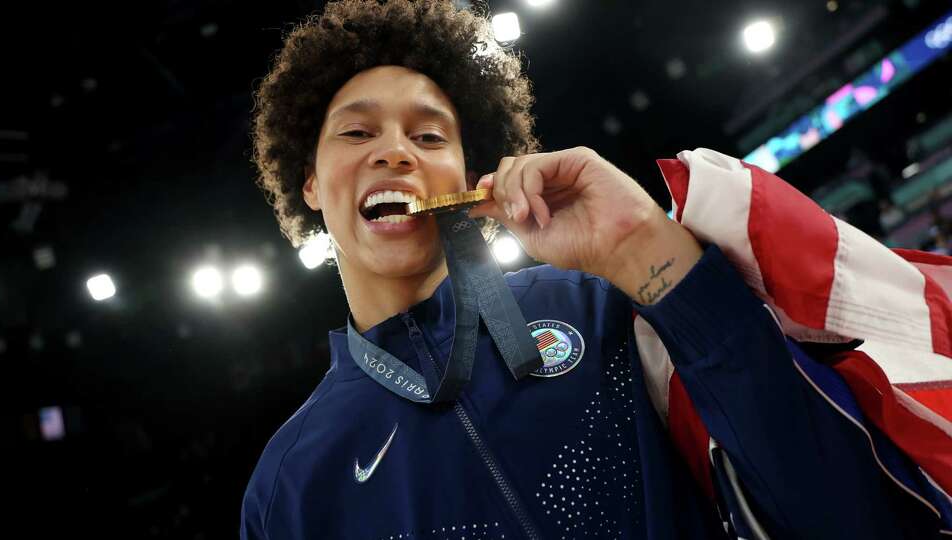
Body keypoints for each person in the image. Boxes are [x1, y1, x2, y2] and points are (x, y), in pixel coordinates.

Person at [241, 1, 948, 538]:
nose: (395, 152)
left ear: (466, 170)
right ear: (309, 183)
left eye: (429, 135)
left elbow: (840, 510)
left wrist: (642, 244)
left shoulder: (604, 303)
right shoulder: (289, 483)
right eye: (358, 132)